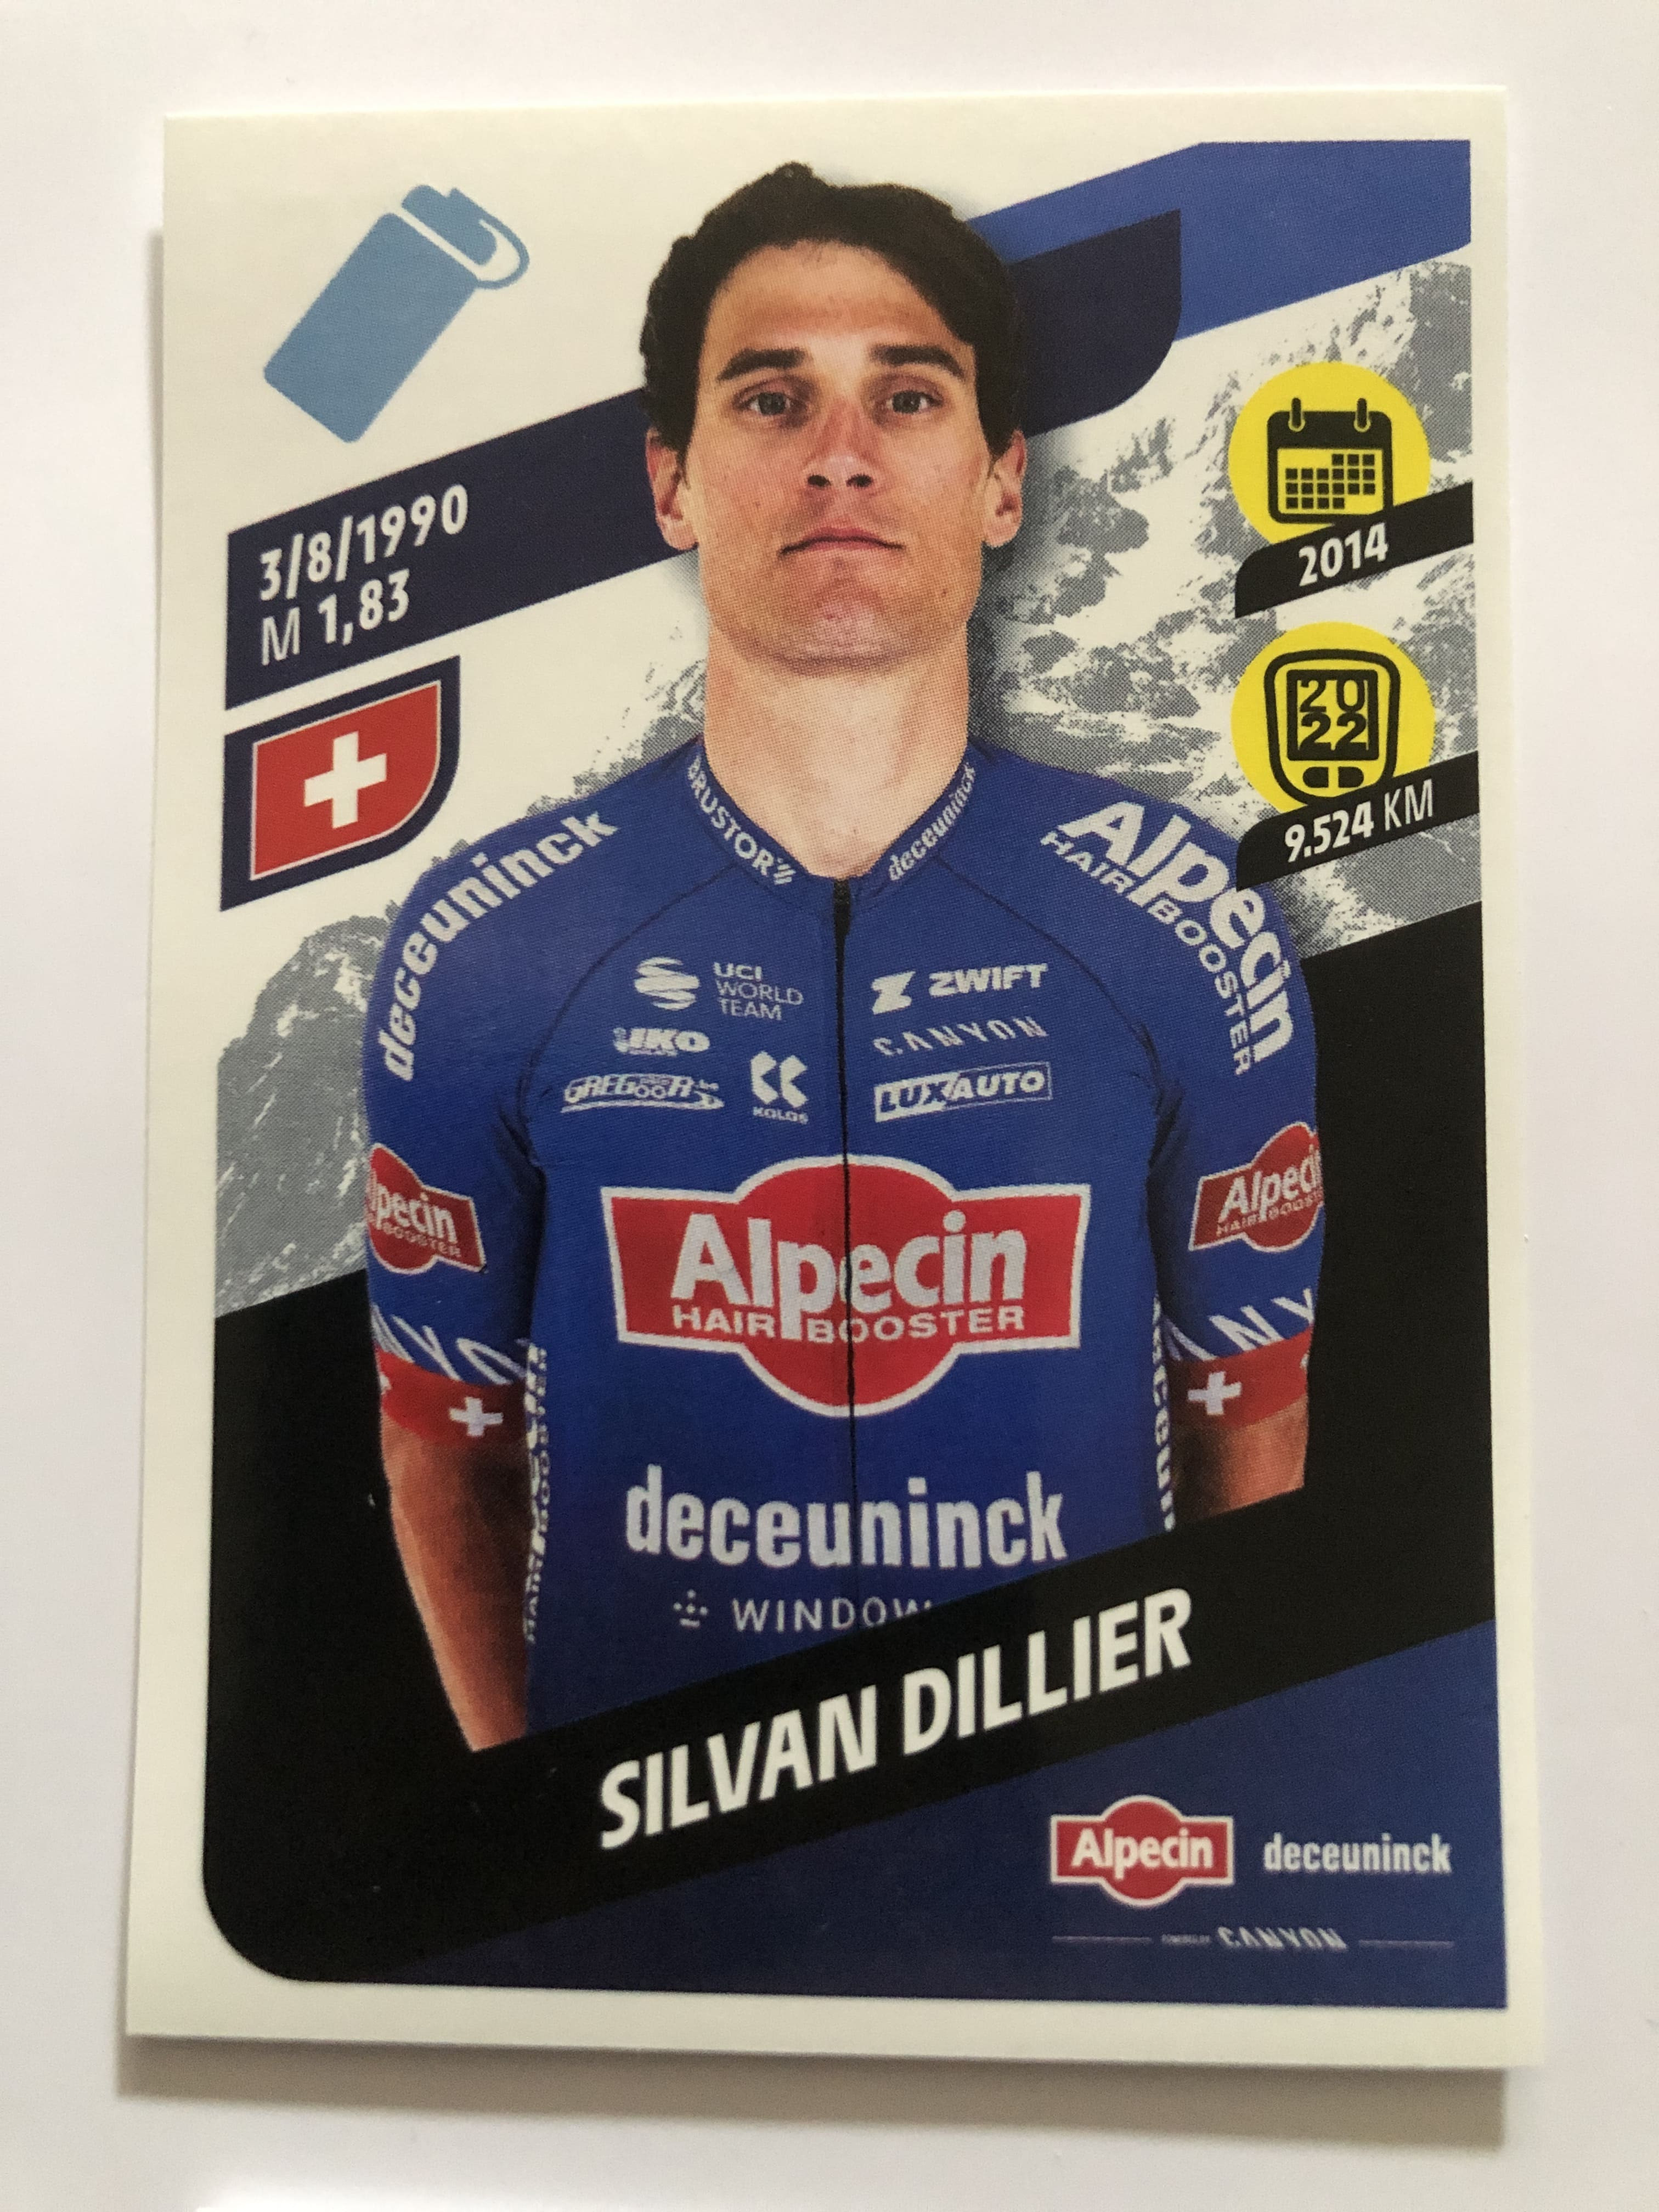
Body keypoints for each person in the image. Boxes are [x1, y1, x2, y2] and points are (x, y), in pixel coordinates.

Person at [362, 163, 1322, 1751]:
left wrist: (1192, 1757)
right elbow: (445, 1447)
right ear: (671, 484)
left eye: (910, 395)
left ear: (1003, 482)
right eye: (771, 399)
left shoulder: (1183, 920)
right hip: (649, 1843)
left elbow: (1249, 1413)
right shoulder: (489, 941)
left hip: (1062, 1809)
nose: (842, 455)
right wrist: (525, 1822)